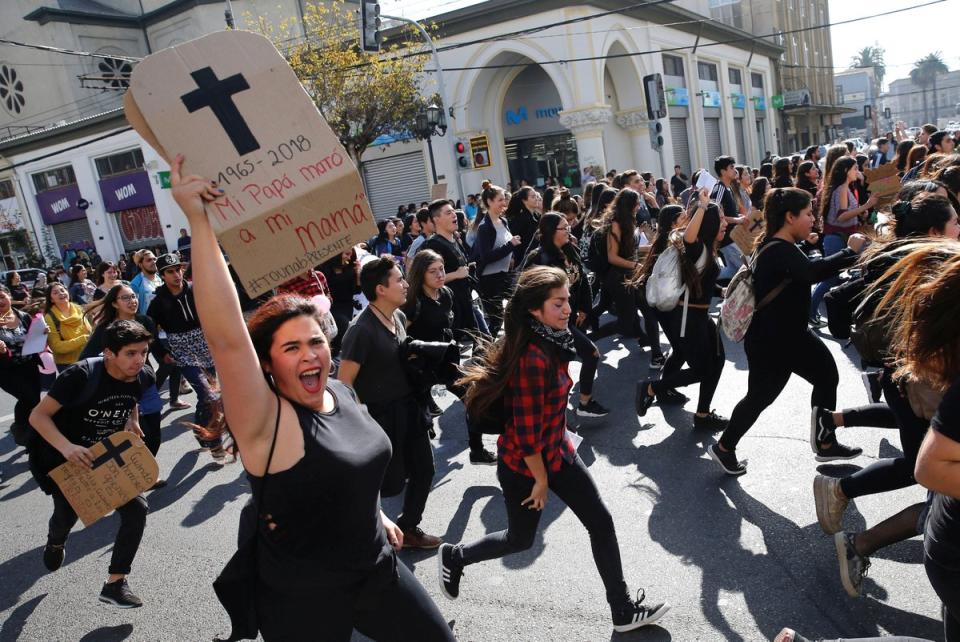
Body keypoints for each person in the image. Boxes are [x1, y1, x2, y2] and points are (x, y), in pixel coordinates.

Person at [161, 157, 455, 641]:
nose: (309, 355)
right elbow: (228, 338)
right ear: (269, 363)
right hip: (303, 598)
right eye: (291, 347)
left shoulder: (340, 390)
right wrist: (199, 222)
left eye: (315, 342)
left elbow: (344, 470)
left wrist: (376, 513)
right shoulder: (265, 421)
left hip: (376, 569)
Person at [438, 266, 671, 633]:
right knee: (520, 539)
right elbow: (526, 434)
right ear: (535, 310)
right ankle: (457, 555)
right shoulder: (533, 357)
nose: (567, 310)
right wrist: (541, 481)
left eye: (567, 300)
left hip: (557, 450)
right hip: (526, 466)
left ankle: (622, 610)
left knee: (601, 522)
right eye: (558, 303)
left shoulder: (555, 339)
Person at [709, 188, 868, 475]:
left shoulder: (773, 245)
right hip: (780, 338)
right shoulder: (779, 250)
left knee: (763, 394)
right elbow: (810, 273)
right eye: (807, 214)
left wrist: (807, 245)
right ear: (790, 217)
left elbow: (800, 268)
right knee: (819, 377)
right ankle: (824, 440)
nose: (812, 220)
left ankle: (725, 447)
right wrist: (849, 251)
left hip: (774, 336)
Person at [29, 319, 154, 608]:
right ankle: (56, 541)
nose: (139, 360)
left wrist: (132, 420)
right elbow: (38, 416)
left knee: (137, 508)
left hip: (105, 456)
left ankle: (115, 583)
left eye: (144, 352)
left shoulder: (144, 375)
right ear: (109, 353)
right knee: (66, 515)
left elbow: (131, 396)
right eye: (131, 354)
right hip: (67, 457)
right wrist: (68, 447)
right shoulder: (80, 375)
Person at [338, 258, 443, 549]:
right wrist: (361, 424)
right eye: (399, 280)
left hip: (409, 409)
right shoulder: (361, 330)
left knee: (424, 470)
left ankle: (408, 528)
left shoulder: (396, 317)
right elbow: (344, 381)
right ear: (381, 289)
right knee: (384, 483)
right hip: (380, 418)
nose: (406, 284)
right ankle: (365, 536)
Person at [635, 189, 729, 430]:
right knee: (701, 370)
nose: (725, 222)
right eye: (721, 219)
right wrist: (701, 207)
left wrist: (722, 291)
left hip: (699, 315)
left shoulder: (709, 248)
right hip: (687, 318)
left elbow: (701, 283)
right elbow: (688, 238)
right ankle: (651, 387)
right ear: (709, 223)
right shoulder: (697, 246)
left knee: (717, 362)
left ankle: (703, 415)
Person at [402, 249, 497, 463]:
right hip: (419, 366)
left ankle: (477, 450)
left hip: (445, 359)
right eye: (432, 271)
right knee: (419, 422)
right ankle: (414, 462)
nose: (439, 275)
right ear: (420, 274)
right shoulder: (412, 302)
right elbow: (400, 336)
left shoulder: (446, 294)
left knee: (473, 399)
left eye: (442, 269)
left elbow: (453, 326)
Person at [520, 213, 609, 417]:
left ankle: (571, 409)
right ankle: (573, 408)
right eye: (564, 228)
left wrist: (585, 308)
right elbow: (527, 292)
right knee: (590, 353)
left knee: (563, 366)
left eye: (569, 227)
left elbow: (583, 281)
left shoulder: (570, 249)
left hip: (572, 317)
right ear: (551, 231)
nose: (569, 230)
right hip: (549, 323)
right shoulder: (539, 258)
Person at [81, 283, 174, 466]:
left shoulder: (145, 321)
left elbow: (153, 347)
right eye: (126, 298)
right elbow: (86, 358)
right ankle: (133, 476)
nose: (132, 301)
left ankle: (145, 471)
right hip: (117, 388)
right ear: (114, 304)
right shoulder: (106, 328)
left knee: (153, 433)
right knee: (130, 435)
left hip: (143, 385)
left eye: (133, 296)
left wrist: (164, 355)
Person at [146, 253, 224, 460]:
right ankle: (212, 440)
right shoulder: (158, 301)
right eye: (170, 271)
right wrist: (162, 354)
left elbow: (212, 312)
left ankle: (202, 430)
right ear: (162, 275)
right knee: (208, 395)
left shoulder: (194, 289)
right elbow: (149, 332)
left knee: (213, 396)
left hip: (205, 346)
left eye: (178, 269)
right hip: (182, 351)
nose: (176, 274)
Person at [808, 157, 878, 326]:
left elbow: (848, 213)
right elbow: (841, 216)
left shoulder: (845, 188)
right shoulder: (841, 189)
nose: (857, 171)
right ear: (846, 171)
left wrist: (861, 212)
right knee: (830, 279)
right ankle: (810, 312)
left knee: (843, 276)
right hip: (837, 238)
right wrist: (866, 206)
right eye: (855, 168)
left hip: (843, 237)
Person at [423, 199, 488, 341]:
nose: (454, 215)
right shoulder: (433, 245)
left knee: (484, 341)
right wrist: (456, 274)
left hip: (467, 301)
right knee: (456, 346)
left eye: (453, 211)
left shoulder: (455, 240)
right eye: (448, 213)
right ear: (436, 219)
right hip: (450, 307)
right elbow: (427, 279)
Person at [471, 184, 521, 337]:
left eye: (504, 199)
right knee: (497, 320)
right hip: (489, 280)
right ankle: (484, 351)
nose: (504, 203)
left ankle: (513, 347)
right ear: (489, 202)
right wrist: (510, 246)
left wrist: (511, 255)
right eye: (500, 200)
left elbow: (505, 245)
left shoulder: (503, 221)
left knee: (518, 308)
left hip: (505, 275)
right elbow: (486, 256)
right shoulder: (484, 227)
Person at [0, 284, 43, 448]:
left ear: (9, 297)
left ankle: (26, 430)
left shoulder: (23, 316)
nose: (0, 301)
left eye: (2, 296)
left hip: (30, 366)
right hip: (7, 371)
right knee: (28, 398)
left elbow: (34, 339)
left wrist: (41, 332)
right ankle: (23, 431)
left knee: (34, 400)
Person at [711, 156, 747, 282]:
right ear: (723, 171)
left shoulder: (727, 188)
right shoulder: (719, 188)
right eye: (731, 167)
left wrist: (739, 217)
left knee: (733, 271)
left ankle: (707, 277)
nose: (734, 170)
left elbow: (728, 213)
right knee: (746, 270)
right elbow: (714, 214)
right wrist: (737, 220)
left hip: (734, 238)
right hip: (727, 240)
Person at [320, 248, 360, 356]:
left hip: (346, 306)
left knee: (343, 329)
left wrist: (358, 274)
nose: (349, 258)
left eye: (351, 255)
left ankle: (335, 355)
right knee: (340, 327)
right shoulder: (324, 269)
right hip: (330, 307)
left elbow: (357, 290)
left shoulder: (351, 269)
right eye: (346, 254)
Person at [44, 282, 91, 372]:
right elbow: (57, 347)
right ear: (51, 300)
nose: (61, 293)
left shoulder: (78, 308)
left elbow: (89, 331)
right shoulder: (49, 318)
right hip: (67, 365)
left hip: (87, 358)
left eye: (62, 290)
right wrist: (83, 339)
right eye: (55, 293)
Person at [503, 187, 541, 266]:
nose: (536, 199)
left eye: (536, 196)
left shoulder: (537, 216)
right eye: (533, 197)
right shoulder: (519, 219)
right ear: (524, 200)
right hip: (524, 261)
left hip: (537, 259)